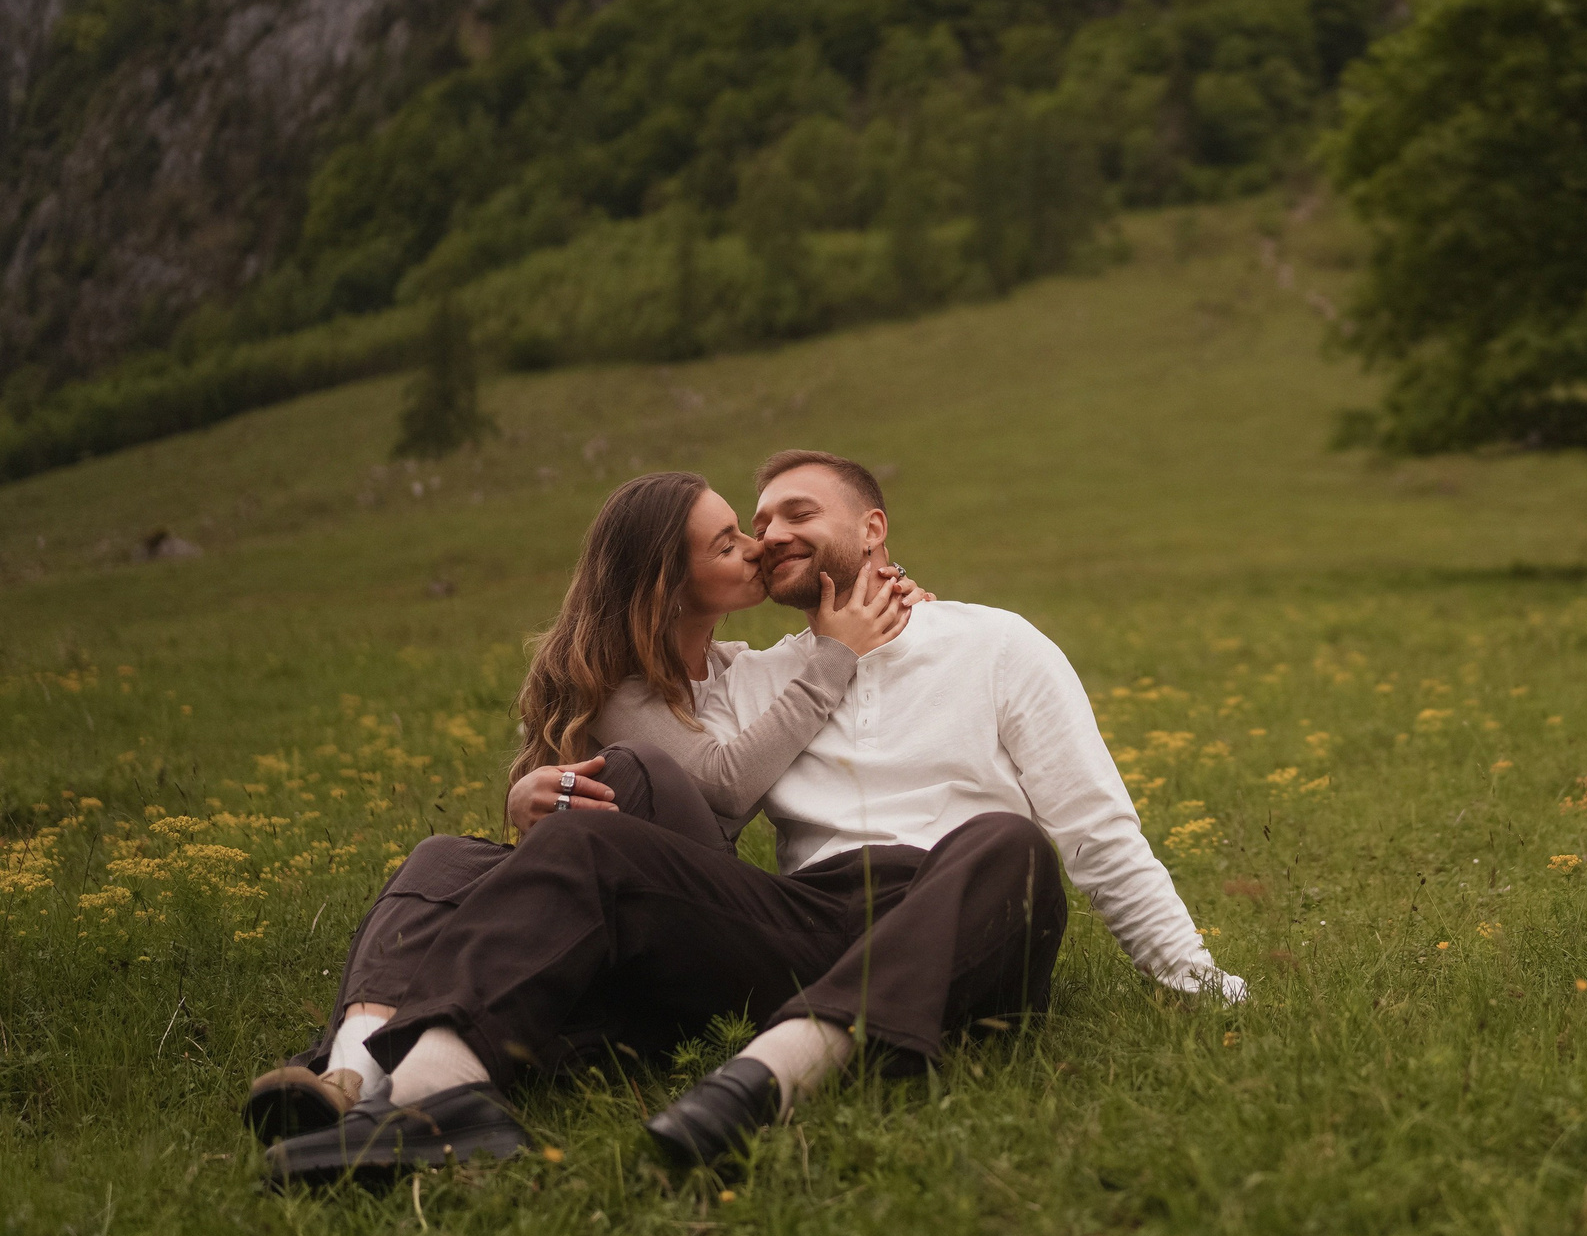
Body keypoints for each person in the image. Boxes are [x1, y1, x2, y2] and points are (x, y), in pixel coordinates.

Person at [266, 449, 1245, 1187]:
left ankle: (759, 1080)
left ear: (873, 530)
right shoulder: (753, 676)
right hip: (807, 918)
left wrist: (1192, 978)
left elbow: (1096, 829)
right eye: (755, 520)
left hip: (964, 909)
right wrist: (534, 793)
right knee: (534, 843)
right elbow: (648, 763)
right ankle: (428, 1099)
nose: (769, 531)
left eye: (795, 511)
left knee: (1009, 841)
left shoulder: (995, 643)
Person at [239, 470, 915, 1141]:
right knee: (443, 854)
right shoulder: (623, 688)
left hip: (691, 909)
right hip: (619, 890)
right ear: (667, 584)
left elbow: (745, 757)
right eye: (727, 542)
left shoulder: (736, 667)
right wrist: (521, 794)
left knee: (634, 771)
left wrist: (887, 593)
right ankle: (348, 1073)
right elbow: (722, 778)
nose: (757, 546)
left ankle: (385, 1072)